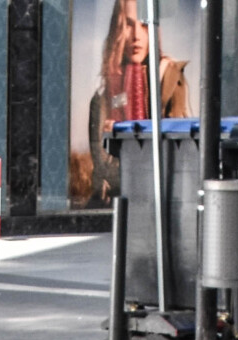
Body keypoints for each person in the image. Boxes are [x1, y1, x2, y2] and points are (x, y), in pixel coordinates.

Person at [84, 0, 185, 202]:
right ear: (118, 30)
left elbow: (181, 145)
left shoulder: (170, 78)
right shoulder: (102, 98)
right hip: (118, 195)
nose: (137, 35)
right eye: (129, 24)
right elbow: (100, 161)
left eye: (144, 25)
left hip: (160, 190)